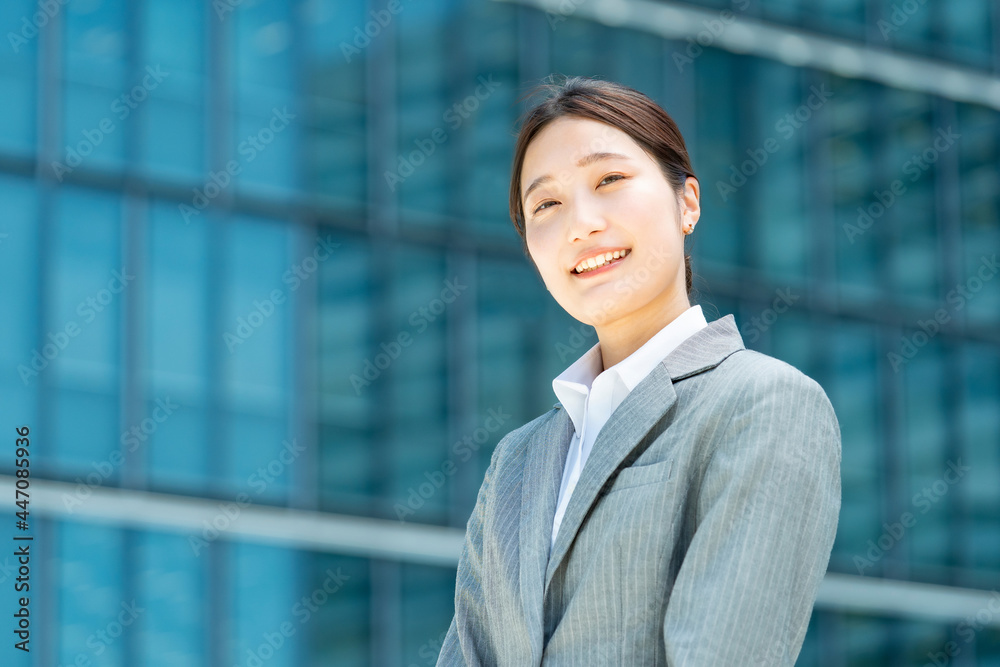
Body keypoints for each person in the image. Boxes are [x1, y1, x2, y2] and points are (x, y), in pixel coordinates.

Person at [436, 75, 841, 666]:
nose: (581, 224)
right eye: (546, 205)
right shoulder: (515, 462)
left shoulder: (763, 402)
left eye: (610, 180)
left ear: (687, 202)